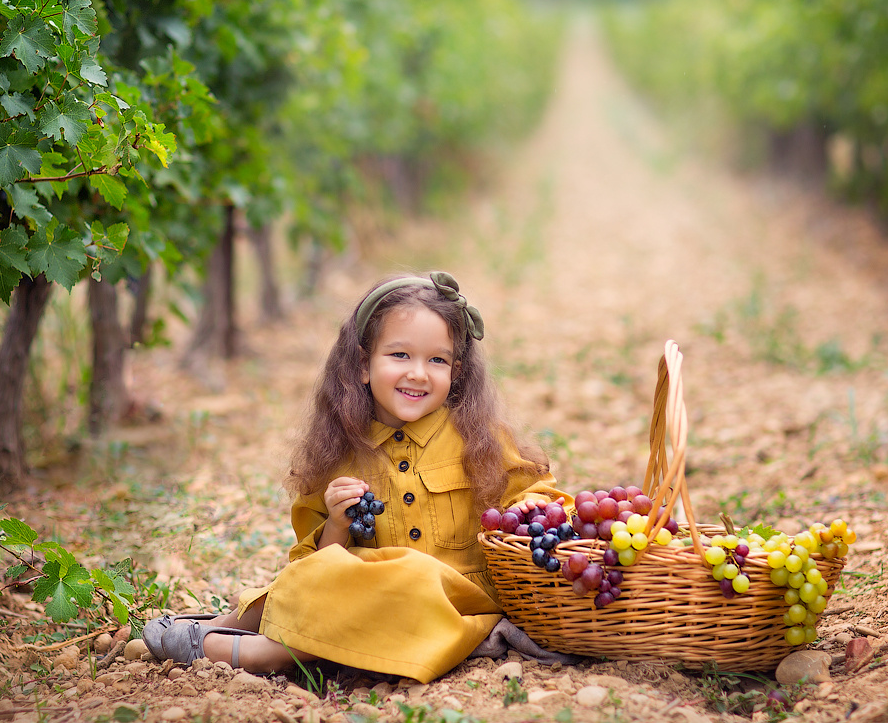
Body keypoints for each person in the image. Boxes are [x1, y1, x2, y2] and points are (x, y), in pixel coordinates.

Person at [144, 271, 570, 683]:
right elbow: (314, 566)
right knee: (344, 574)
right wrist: (337, 523)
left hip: (451, 604)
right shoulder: (341, 455)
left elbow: (546, 500)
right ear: (363, 365)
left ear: (455, 373)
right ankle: (228, 623)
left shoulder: (480, 441)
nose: (418, 373)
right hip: (368, 599)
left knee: (412, 575)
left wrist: (529, 507)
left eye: (436, 360)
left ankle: (263, 652)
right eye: (400, 355)